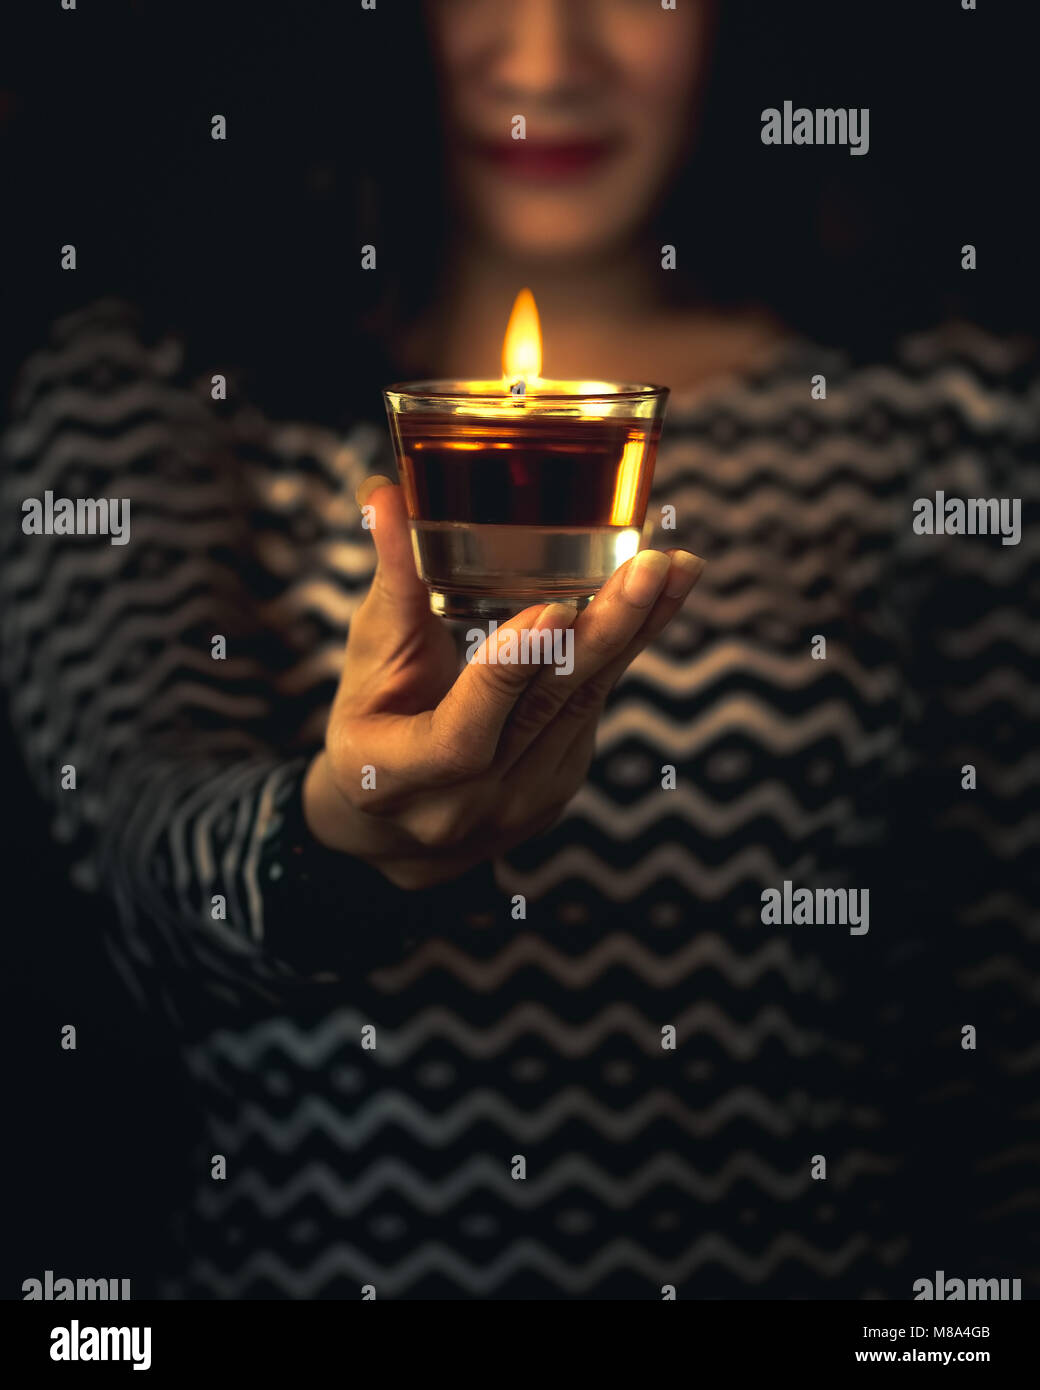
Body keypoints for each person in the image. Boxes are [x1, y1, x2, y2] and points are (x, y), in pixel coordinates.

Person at [3, 0, 1036, 1298]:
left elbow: (1004, 1034)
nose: (547, 59)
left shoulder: (950, 416)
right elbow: (137, 888)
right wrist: (343, 838)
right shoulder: (154, 385)